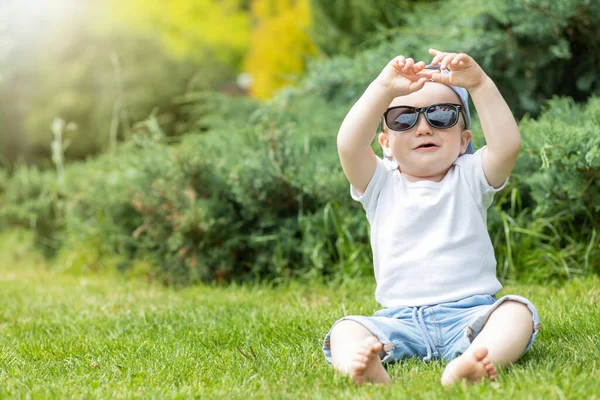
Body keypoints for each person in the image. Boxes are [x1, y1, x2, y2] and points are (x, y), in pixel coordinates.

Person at [322, 49, 541, 386]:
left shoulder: (470, 177)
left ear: (463, 139)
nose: (423, 127)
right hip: (398, 320)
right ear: (386, 143)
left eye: (441, 115)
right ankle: (363, 367)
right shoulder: (380, 183)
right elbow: (349, 145)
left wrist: (479, 84)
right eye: (403, 119)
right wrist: (384, 88)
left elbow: (507, 145)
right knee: (347, 329)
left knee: (517, 312)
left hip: (471, 313)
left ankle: (476, 357)